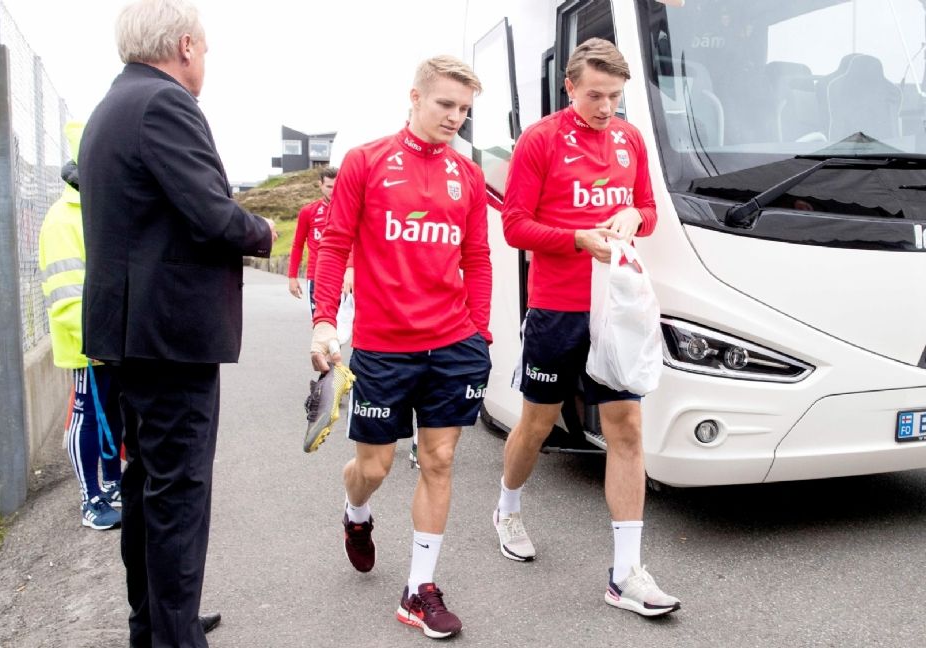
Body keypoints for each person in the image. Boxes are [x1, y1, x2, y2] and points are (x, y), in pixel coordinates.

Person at [79, 0, 275, 645]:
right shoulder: (165, 103)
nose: (206, 59)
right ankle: (173, 637)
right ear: (186, 45)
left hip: (133, 334)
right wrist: (264, 229)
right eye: (205, 47)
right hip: (168, 338)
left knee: (147, 485)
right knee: (178, 495)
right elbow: (213, 215)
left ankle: (159, 622)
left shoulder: (115, 104)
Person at [493, 37, 681, 617]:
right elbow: (515, 226)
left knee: (626, 429)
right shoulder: (540, 139)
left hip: (615, 308)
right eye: (595, 94)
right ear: (569, 86)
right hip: (557, 309)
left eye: (615, 96)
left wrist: (631, 216)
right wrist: (577, 239)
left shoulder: (630, 139)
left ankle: (626, 574)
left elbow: (648, 212)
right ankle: (508, 508)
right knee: (537, 424)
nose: (606, 107)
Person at [310, 55, 491, 640]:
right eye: (445, 104)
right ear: (414, 98)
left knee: (439, 460)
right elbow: (334, 245)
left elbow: (477, 257)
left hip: (454, 344)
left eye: (464, 110)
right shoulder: (366, 162)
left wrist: (481, 331)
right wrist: (323, 320)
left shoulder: (467, 175)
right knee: (375, 466)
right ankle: (356, 514)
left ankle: (419, 589)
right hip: (383, 349)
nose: (455, 118)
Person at [38, 120, 123, 532]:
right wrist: (92, 339)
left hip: (114, 336)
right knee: (88, 415)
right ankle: (91, 499)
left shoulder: (102, 208)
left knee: (113, 412)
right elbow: (66, 292)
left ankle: (114, 483)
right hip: (87, 342)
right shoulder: (62, 220)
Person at [287, 166, 341, 315]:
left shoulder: (349, 209)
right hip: (317, 277)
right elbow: (298, 245)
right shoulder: (308, 211)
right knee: (321, 323)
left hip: (344, 277)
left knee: (345, 326)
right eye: (329, 187)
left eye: (336, 186)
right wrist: (292, 277)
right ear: (320, 185)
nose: (333, 191)